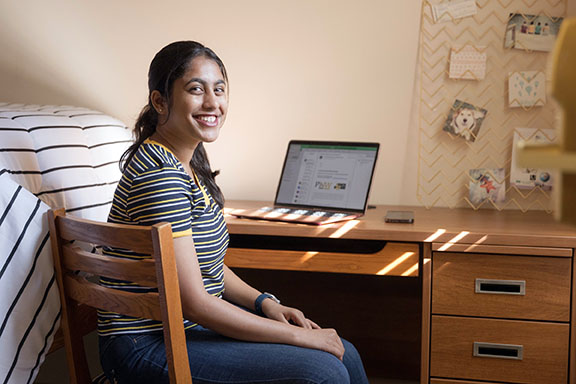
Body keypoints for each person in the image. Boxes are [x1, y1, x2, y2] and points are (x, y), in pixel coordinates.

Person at [98, 40, 369, 384]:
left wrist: (264, 302)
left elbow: (203, 266)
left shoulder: (188, 163)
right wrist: (302, 337)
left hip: (184, 329)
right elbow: (195, 302)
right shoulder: (161, 174)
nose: (212, 102)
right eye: (196, 89)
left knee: (345, 352)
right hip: (145, 344)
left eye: (220, 89)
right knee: (324, 371)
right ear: (160, 101)